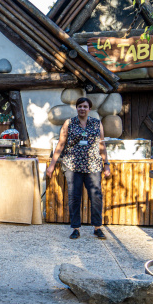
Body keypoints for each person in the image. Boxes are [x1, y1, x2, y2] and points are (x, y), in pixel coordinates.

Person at [47, 97, 111, 239]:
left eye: (85, 106)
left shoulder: (96, 124)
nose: (82, 108)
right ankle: (76, 228)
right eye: (80, 106)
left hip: (93, 166)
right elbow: (61, 144)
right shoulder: (69, 123)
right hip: (73, 166)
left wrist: (106, 164)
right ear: (77, 108)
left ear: (89, 109)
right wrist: (52, 165)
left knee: (96, 196)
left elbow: (102, 145)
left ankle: (97, 227)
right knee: (75, 197)